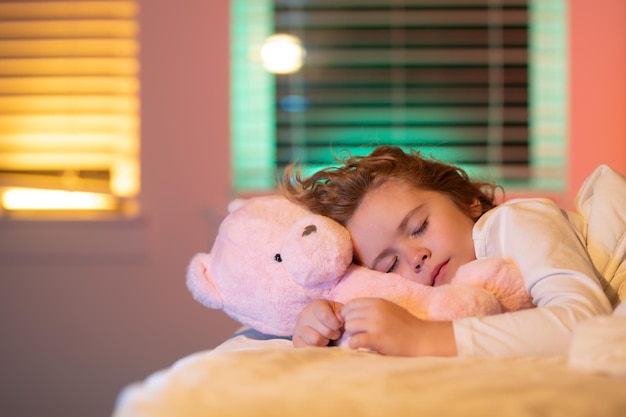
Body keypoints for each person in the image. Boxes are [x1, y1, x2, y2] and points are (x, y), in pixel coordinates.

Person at [281, 145, 613, 357]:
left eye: (419, 226)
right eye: (390, 264)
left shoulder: (511, 221)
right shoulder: (452, 293)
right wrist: (328, 321)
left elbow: (587, 325)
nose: (415, 257)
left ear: (468, 201)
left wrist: (421, 337)